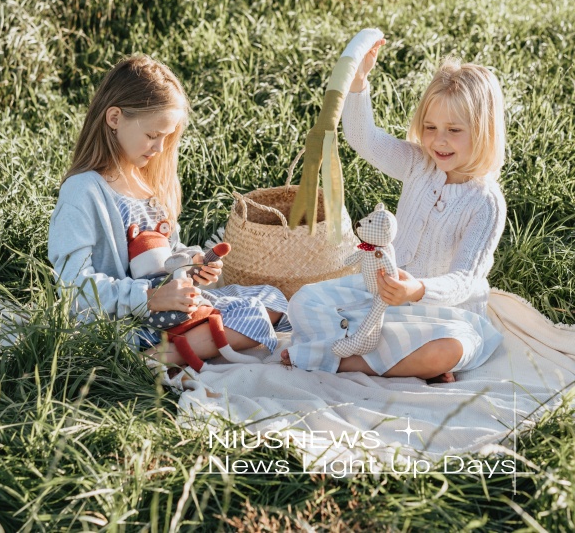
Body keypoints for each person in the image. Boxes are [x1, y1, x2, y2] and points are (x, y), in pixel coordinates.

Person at [282, 39, 507, 383]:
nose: (439, 141)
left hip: (444, 314)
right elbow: (364, 139)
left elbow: (465, 280)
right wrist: (359, 83)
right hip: (384, 297)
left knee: (447, 350)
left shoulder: (485, 202)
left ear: (484, 131)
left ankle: (345, 362)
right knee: (304, 300)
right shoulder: (419, 164)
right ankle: (395, 359)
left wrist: (418, 290)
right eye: (430, 128)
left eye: (454, 131)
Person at [48, 55, 286, 371]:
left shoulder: (147, 183)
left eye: (167, 137)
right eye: (152, 135)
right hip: (124, 322)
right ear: (114, 117)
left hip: (165, 311)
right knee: (253, 317)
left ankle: (180, 345)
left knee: (273, 298)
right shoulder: (84, 190)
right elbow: (73, 287)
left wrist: (192, 265)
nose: (159, 148)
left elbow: (168, 256)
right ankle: (144, 360)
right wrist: (150, 298)